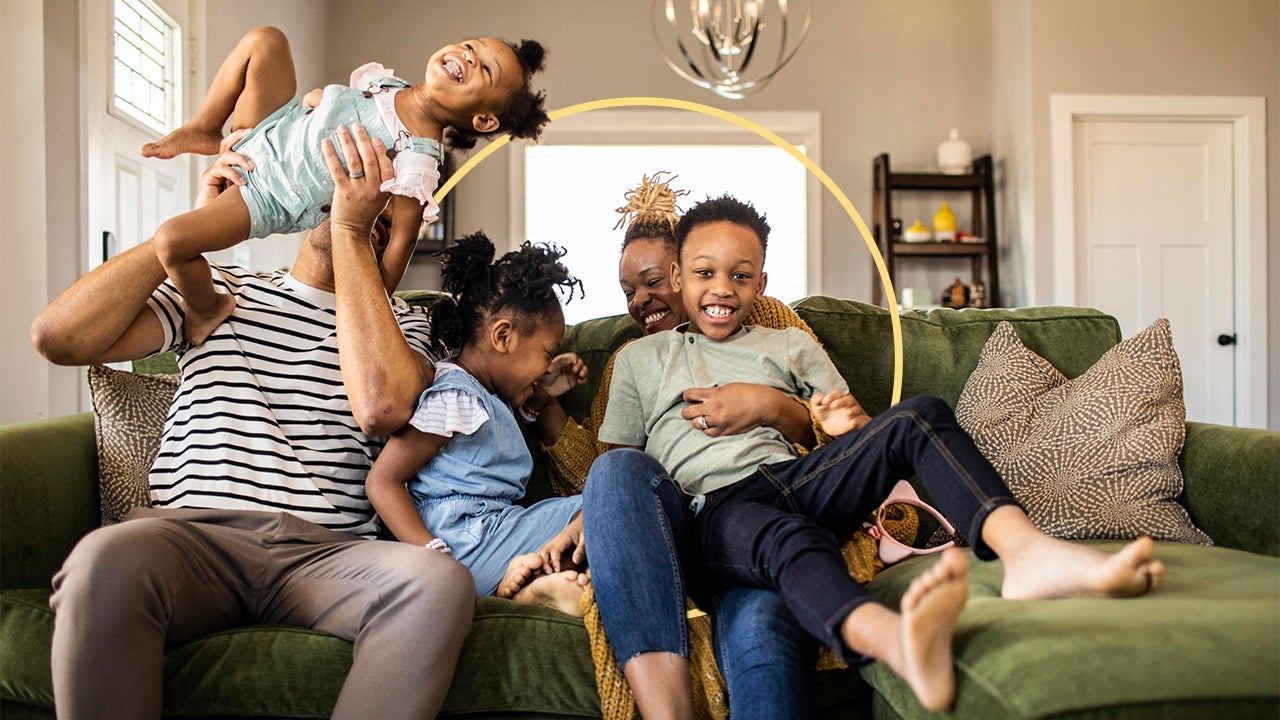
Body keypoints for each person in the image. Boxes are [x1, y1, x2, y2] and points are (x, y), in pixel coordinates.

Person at [590, 194, 1167, 714]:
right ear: (677, 275)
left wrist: (839, 423)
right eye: (704, 273)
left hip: (796, 478)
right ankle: (894, 644)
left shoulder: (787, 343)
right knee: (783, 554)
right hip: (712, 512)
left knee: (918, 415)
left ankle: (1026, 552)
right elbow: (620, 481)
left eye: (740, 276)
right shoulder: (639, 361)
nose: (721, 288)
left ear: (761, 283)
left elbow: (848, 430)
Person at [29, 124, 475, 720]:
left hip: (327, 556)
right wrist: (198, 229)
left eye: (378, 189)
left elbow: (384, 405)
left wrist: (354, 231)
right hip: (194, 539)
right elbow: (57, 337)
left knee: (439, 584)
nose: (351, 195)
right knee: (102, 560)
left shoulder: (406, 327)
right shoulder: (215, 290)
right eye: (341, 179)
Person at [529, 173, 839, 720]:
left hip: (761, 513)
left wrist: (765, 405)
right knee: (622, 469)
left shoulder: (769, 325)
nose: (640, 299)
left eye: (651, 281)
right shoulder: (634, 359)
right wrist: (547, 404)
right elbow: (607, 473)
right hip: (676, 524)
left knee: (763, 634)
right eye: (628, 290)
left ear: (684, 270)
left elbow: (833, 427)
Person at [141, 26, 549, 344]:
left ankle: (206, 307)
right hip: (268, 132)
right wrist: (317, 102)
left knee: (171, 241)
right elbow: (335, 105)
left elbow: (403, 240)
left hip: (267, 193)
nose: (468, 57)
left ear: (484, 121)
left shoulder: (418, 157)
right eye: (471, 46)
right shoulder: (388, 85)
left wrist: (371, 307)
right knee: (266, 41)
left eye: (485, 68)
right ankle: (205, 127)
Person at [365, 231, 592, 616]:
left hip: (492, 535)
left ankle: (528, 589)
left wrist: (541, 395)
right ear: (503, 336)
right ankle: (526, 585)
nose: (546, 366)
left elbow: (489, 450)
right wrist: (434, 558)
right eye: (546, 354)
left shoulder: (484, 398)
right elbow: (383, 481)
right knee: (608, 502)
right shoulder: (455, 395)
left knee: (600, 515)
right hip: (462, 544)